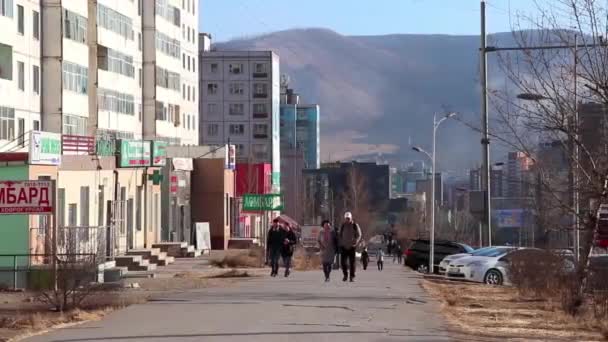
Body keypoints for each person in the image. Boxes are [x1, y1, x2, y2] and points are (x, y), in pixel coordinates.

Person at [339, 211, 362, 282]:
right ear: (345, 218)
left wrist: (356, 242)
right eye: (346, 218)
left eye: (348, 218)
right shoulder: (343, 226)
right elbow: (340, 235)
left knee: (352, 263)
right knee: (343, 262)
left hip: (352, 246)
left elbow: (359, 235)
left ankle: (352, 277)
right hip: (344, 246)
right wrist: (341, 242)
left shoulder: (355, 225)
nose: (347, 219)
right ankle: (345, 275)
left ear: (351, 218)